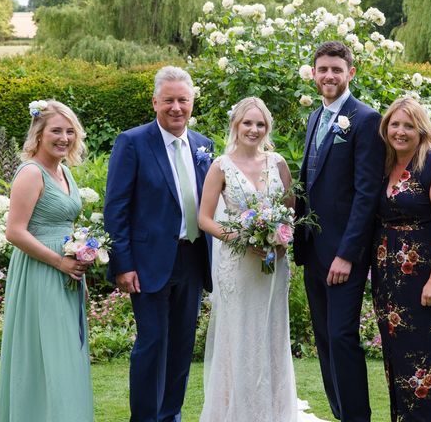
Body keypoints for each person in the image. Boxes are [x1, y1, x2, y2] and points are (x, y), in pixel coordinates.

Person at [198, 97, 326, 422]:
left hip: (272, 264)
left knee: (270, 332)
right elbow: (204, 218)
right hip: (237, 265)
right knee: (239, 334)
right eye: (247, 123)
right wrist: (241, 237)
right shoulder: (220, 166)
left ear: (266, 128)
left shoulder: (277, 162)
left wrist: (281, 237)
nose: (253, 130)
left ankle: (274, 411)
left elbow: (290, 209)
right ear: (236, 126)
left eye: (260, 124)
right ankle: (237, 411)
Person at [104, 66, 213, 422]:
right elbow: (116, 207)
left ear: (192, 102)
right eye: (169, 100)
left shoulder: (203, 146)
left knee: (182, 348)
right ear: (155, 102)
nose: (176, 107)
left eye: (183, 100)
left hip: (193, 260)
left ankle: (171, 416)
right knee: (152, 344)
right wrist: (123, 263)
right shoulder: (132, 142)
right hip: (148, 263)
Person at [294, 41, 386, 422]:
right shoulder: (317, 117)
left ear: (351, 72)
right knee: (326, 340)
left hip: (343, 255)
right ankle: (340, 413)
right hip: (313, 250)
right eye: (322, 69)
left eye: (336, 69)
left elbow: (367, 194)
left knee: (343, 338)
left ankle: (356, 417)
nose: (329, 76)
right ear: (313, 74)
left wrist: (348, 254)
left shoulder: (364, 119)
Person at [0, 99, 93, 421]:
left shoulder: (63, 171)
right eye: (56, 131)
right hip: (40, 273)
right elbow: (15, 232)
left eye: (69, 131)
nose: (63, 138)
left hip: (66, 273)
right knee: (45, 354)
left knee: (67, 354)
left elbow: (65, 223)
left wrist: (80, 259)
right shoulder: (30, 173)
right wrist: (58, 261)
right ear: (38, 133)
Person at [371, 97, 431, 421]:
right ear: (386, 128)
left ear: (421, 129)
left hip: (424, 282)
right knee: (398, 363)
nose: (400, 131)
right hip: (389, 283)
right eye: (395, 124)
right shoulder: (384, 165)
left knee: (424, 368)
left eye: (408, 125)